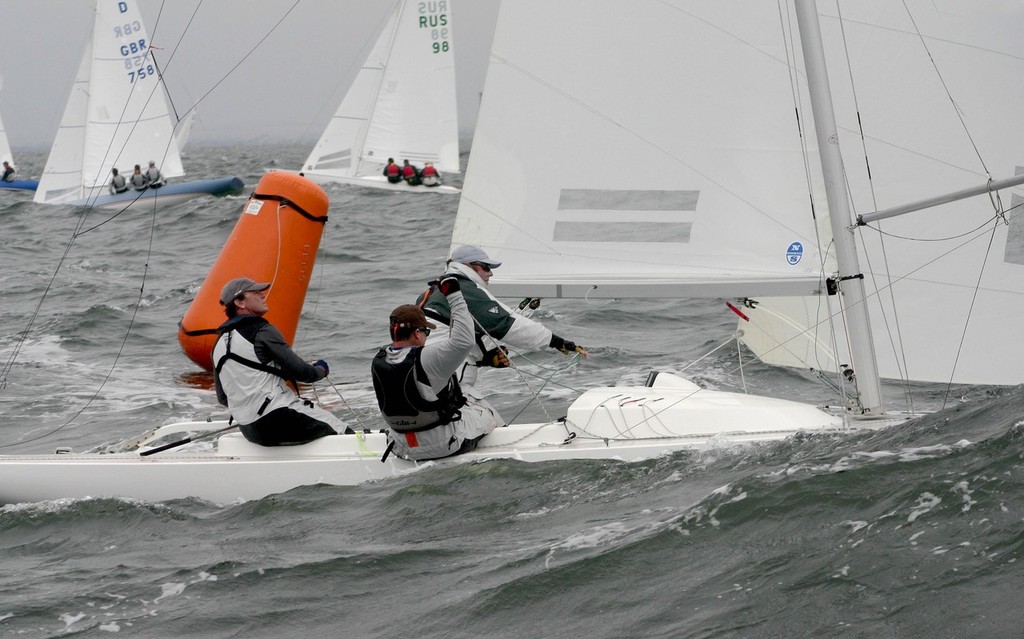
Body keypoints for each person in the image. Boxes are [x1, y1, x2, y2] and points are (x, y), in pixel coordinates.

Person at [416, 244, 588, 395]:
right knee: (489, 422)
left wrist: (486, 359)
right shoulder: (464, 290)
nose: (490, 273)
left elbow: (446, 336)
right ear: (469, 266)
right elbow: (510, 326)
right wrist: (558, 342)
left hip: (424, 379)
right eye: (486, 267)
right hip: (448, 382)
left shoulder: (431, 292)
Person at [371, 277, 501, 461]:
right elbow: (464, 340)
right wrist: (454, 295)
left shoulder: (379, 360)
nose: (426, 337)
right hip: (443, 445)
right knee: (483, 409)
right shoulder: (428, 357)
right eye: (426, 332)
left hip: (402, 448)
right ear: (417, 333)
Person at [212, 276, 346, 446]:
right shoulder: (263, 331)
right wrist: (321, 369)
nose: (263, 295)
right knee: (344, 432)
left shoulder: (217, 344)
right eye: (256, 292)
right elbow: (304, 373)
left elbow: (223, 398)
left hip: (250, 430)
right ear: (240, 303)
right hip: (278, 418)